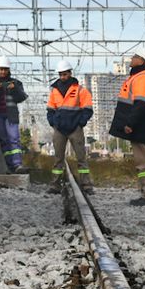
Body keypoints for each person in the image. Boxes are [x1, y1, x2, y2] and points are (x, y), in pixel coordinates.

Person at [109, 48, 145, 206]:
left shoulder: (143, 78)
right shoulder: (140, 76)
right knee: (142, 160)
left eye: (135, 56)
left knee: (143, 161)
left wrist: (131, 123)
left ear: (143, 60)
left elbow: (141, 103)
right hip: (141, 123)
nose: (132, 58)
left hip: (140, 123)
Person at [46, 60, 94, 192]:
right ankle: (55, 185)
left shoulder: (80, 90)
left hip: (75, 129)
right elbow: (50, 109)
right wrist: (53, 123)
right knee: (58, 159)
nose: (63, 77)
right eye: (60, 74)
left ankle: (86, 185)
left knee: (81, 158)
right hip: (59, 129)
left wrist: (80, 123)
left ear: (70, 73)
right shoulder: (54, 91)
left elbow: (88, 108)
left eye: (65, 74)